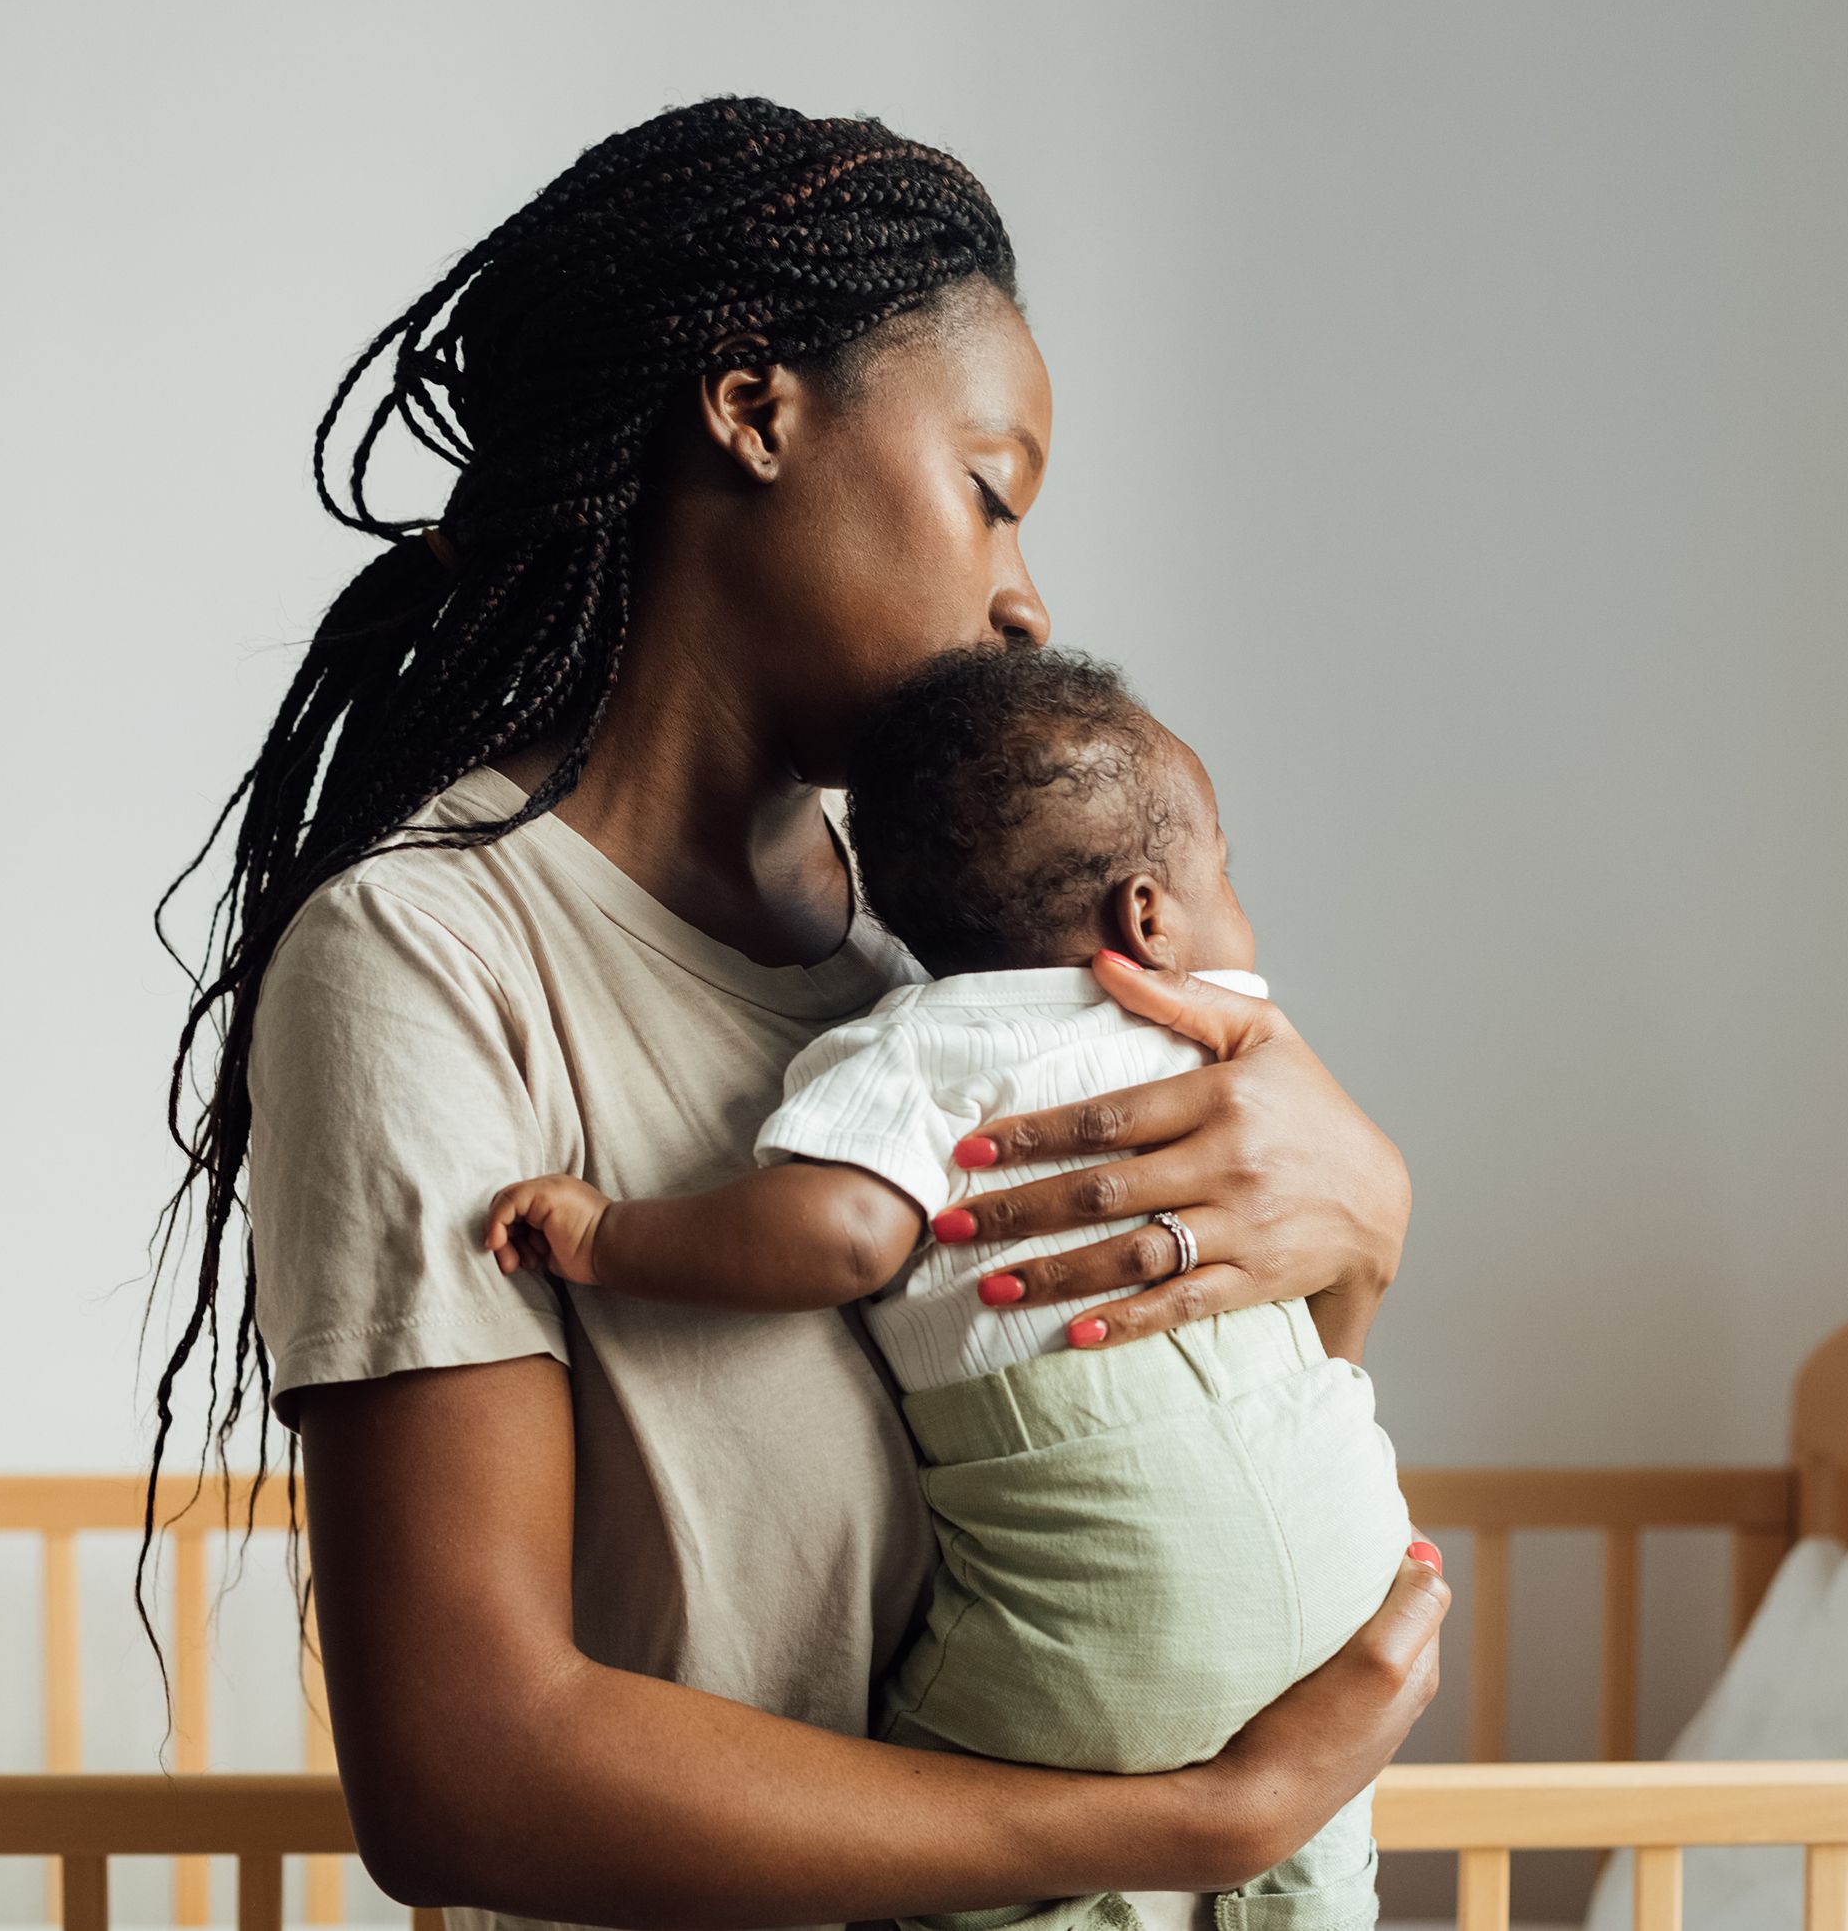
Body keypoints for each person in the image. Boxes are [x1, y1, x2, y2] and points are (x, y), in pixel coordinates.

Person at [146, 96, 1446, 1931]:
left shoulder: (947, 962)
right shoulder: (433, 957)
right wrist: (1187, 1820)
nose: (1025, 595)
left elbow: (1188, 1449)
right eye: (990, 487)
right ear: (755, 410)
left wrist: (1367, 1210)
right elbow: (464, 1771)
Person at [484, 645, 1426, 1931]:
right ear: (1151, 914)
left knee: (937, 1833)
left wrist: (611, 1239)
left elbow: (844, 1232)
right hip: (1347, 1551)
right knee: (1319, 1829)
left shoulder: (921, 1047)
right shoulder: (1230, 1033)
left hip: (1122, 1579)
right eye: (1231, 871)